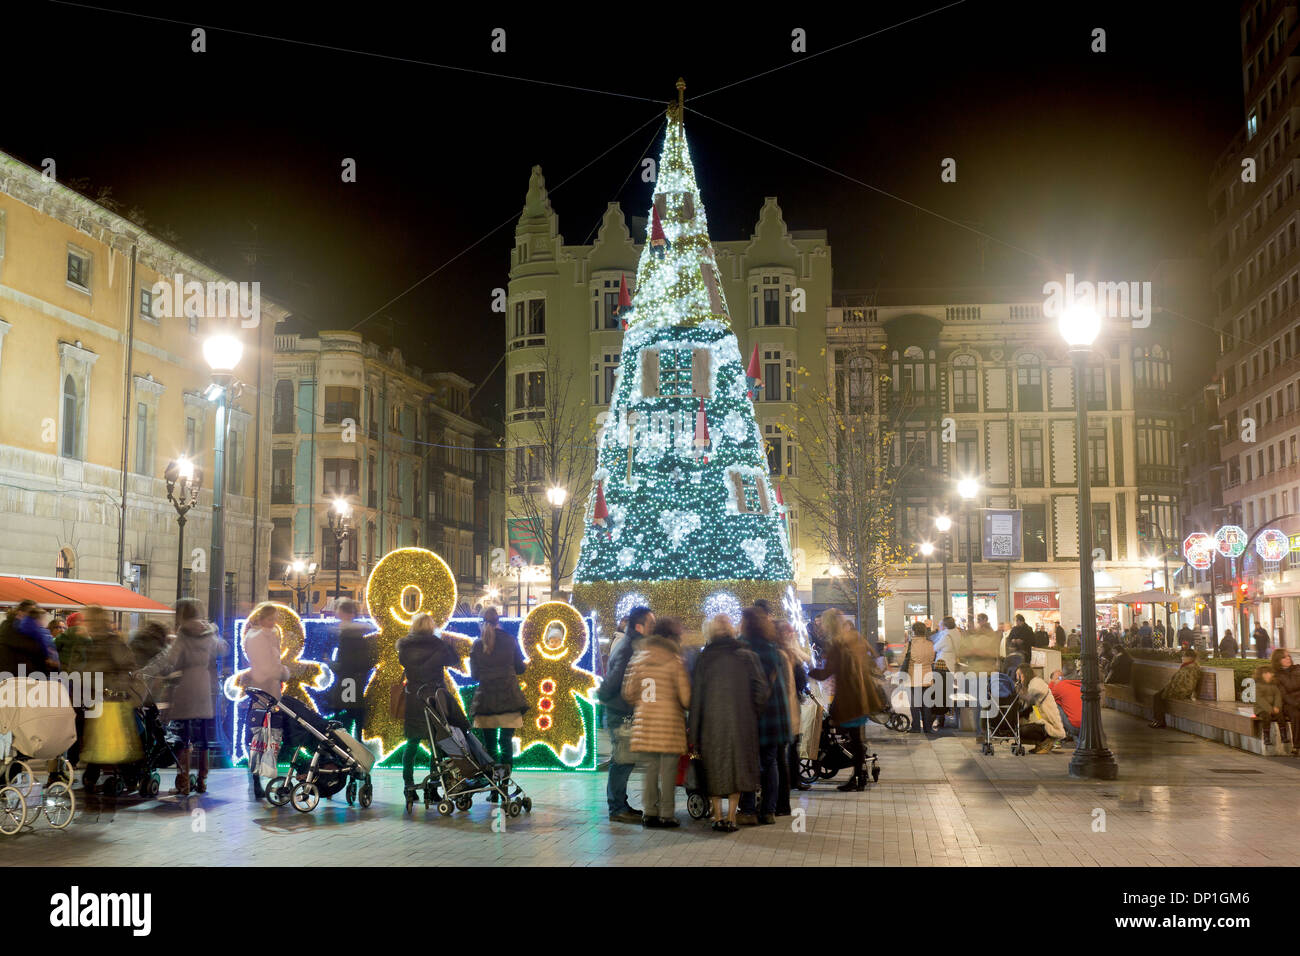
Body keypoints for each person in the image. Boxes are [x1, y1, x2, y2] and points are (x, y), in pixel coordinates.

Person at [689, 615, 768, 833]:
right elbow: (762, 690)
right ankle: (732, 817)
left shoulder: (704, 659)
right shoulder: (747, 656)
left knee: (714, 769)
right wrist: (752, 713)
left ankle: (717, 816)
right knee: (737, 769)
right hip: (742, 724)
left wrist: (693, 731)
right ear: (732, 631)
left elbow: (696, 697)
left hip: (711, 725)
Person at [621, 617, 690, 828]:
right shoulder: (674, 661)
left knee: (650, 769)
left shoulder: (638, 658)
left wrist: (643, 704)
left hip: (646, 724)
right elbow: (686, 698)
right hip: (669, 725)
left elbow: (628, 693)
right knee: (668, 770)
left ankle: (650, 812)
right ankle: (667, 814)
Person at [808, 610, 885, 791]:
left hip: (849, 698)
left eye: (824, 624)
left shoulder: (837, 644)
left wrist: (807, 668)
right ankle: (858, 777)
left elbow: (825, 673)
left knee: (849, 737)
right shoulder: (851, 639)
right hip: (860, 695)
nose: (821, 627)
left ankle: (858, 777)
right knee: (855, 739)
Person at [598, 605, 654, 823]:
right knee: (622, 759)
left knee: (626, 759)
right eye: (650, 624)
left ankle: (620, 804)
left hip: (621, 710)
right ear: (639, 626)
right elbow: (614, 680)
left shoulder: (632, 645)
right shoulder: (629, 647)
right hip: (620, 711)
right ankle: (617, 808)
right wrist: (612, 698)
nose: (653, 628)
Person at [164, 599, 227, 794]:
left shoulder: (183, 634)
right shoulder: (208, 632)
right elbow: (223, 649)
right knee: (203, 738)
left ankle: (183, 782)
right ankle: (202, 780)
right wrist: (216, 634)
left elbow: (171, 660)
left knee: (184, 737)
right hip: (205, 686)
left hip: (187, 686)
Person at [397, 611, 460, 801]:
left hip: (414, 699)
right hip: (434, 699)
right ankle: (432, 789)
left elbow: (403, 664)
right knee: (437, 745)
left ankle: (409, 786)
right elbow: (454, 660)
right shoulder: (438, 645)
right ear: (431, 627)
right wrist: (447, 642)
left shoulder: (404, 646)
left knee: (412, 743)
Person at [737, 607, 790, 825]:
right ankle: (768, 811)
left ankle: (748, 809)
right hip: (773, 715)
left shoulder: (741, 649)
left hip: (750, 713)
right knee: (770, 763)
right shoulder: (774, 650)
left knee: (749, 762)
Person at [468, 606, 527, 797]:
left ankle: (494, 790)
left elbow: (475, 675)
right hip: (509, 699)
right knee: (506, 742)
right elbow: (520, 668)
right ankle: (504, 785)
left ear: (480, 622)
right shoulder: (510, 641)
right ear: (498, 621)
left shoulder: (477, 645)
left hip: (486, 701)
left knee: (491, 747)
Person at [242, 602, 288, 800]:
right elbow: (266, 667)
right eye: (271, 618)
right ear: (261, 618)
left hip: (267, 691)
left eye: (275, 618)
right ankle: (259, 781)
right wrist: (284, 672)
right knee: (262, 736)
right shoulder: (260, 637)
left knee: (264, 737)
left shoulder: (265, 635)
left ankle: (262, 779)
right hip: (265, 692)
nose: (274, 621)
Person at [773, 620, 810, 807]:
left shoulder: (780, 653)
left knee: (779, 755)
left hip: (782, 710)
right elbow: (802, 677)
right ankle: (792, 785)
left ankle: (782, 798)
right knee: (788, 751)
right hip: (791, 708)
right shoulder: (789, 653)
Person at [328, 598, 376, 739]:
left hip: (348, 679)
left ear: (345, 613)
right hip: (355, 678)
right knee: (355, 711)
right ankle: (356, 740)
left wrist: (333, 665)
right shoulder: (356, 634)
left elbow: (348, 661)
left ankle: (346, 743)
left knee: (346, 712)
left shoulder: (348, 636)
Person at [1014, 663, 1066, 753]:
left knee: (1022, 731)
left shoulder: (1037, 683)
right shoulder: (1029, 685)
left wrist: (1019, 692)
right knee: (1016, 730)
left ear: (1025, 674)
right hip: (1040, 719)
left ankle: (1047, 740)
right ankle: (1040, 743)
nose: (1018, 678)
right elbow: (1032, 708)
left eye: (1019, 675)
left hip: (1049, 723)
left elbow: (1031, 699)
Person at [0, 600, 58, 677]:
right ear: (20, 613)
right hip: (22, 677)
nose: (34, 617)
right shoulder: (23, 633)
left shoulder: (7, 629)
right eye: (32, 613)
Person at [1148, 647, 1202, 729]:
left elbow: (1189, 685)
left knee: (1158, 697)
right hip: (1174, 689)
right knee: (1157, 696)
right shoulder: (1187, 666)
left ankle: (1159, 721)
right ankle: (1158, 720)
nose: (1182, 658)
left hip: (1180, 692)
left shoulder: (1192, 668)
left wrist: (1178, 690)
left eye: (1184, 656)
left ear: (1190, 658)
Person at [901, 620, 935, 735]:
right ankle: (927, 728)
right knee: (926, 704)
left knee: (915, 704)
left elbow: (901, 660)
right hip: (927, 676)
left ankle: (916, 727)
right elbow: (932, 659)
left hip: (914, 676)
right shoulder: (930, 644)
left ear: (914, 631)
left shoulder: (910, 644)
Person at [1269, 649, 1300, 756]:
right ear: (1278, 660)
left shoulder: (1297, 669)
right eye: (1284, 657)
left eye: (1288, 656)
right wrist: (1296, 703)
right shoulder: (1276, 676)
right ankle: (1297, 746)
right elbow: (1284, 696)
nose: (1288, 659)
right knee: (1296, 715)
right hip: (1288, 704)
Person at [1253, 664, 1288, 748]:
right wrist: (1269, 709)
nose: (1270, 674)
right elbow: (1259, 699)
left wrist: (1277, 706)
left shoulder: (1273, 685)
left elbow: (1278, 696)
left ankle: (1283, 736)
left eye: (1270, 673)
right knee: (1266, 717)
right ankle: (1266, 737)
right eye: (1267, 673)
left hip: (1274, 709)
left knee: (1281, 716)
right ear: (1262, 675)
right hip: (1261, 709)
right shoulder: (1257, 686)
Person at [1048, 668, 1082, 741]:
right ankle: (1071, 735)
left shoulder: (1060, 686)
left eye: (1061, 677)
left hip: (1075, 727)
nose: (1060, 679)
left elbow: (1047, 698)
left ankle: (1058, 735)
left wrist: (1052, 683)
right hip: (1088, 728)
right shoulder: (1081, 685)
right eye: (1058, 678)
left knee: (1054, 705)